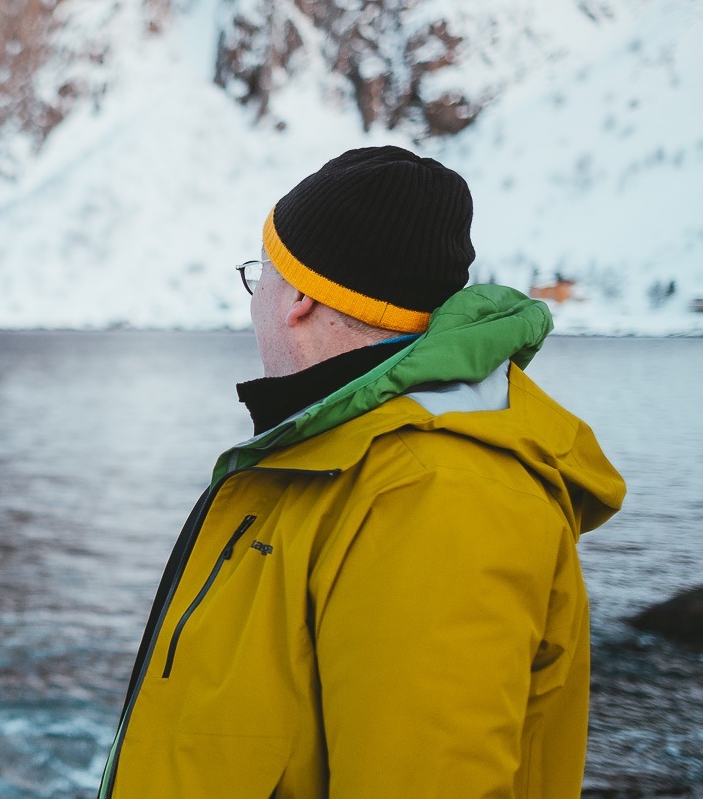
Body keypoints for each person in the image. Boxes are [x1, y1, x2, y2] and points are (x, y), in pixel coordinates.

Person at [98, 146, 626, 797]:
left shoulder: (437, 494)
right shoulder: (330, 456)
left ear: (297, 297)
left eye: (257, 276)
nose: (255, 298)